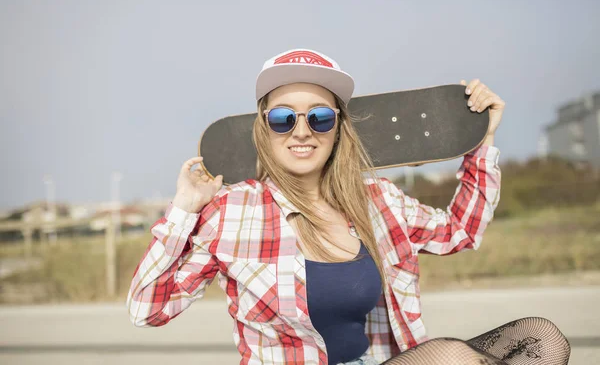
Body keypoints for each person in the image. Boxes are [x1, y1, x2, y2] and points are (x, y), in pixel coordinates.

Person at [127, 49, 570, 364]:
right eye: (283, 118)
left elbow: (460, 231)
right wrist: (184, 210)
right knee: (455, 356)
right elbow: (147, 309)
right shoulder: (232, 212)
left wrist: (483, 140)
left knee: (540, 339)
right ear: (263, 129)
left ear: (337, 128)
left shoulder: (377, 199)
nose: (302, 131)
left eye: (319, 117)